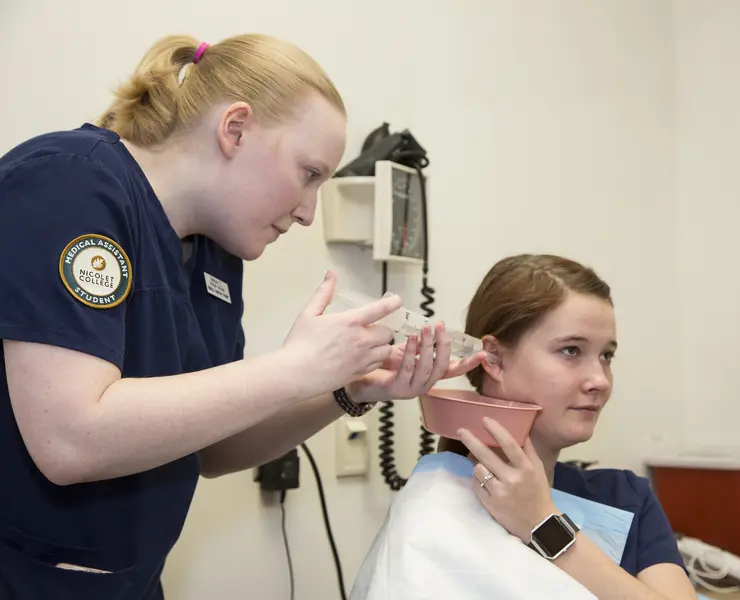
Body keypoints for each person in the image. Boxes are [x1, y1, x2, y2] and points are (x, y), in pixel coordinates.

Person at [0, 34, 484, 600]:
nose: (308, 212)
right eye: (309, 173)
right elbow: (69, 439)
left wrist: (348, 388)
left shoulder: (215, 253)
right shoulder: (70, 184)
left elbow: (214, 449)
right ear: (235, 128)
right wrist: (295, 368)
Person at [351, 254, 698, 600]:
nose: (600, 380)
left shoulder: (626, 497)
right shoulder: (435, 503)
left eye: (606, 356)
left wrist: (543, 522)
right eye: (571, 350)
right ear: (494, 359)